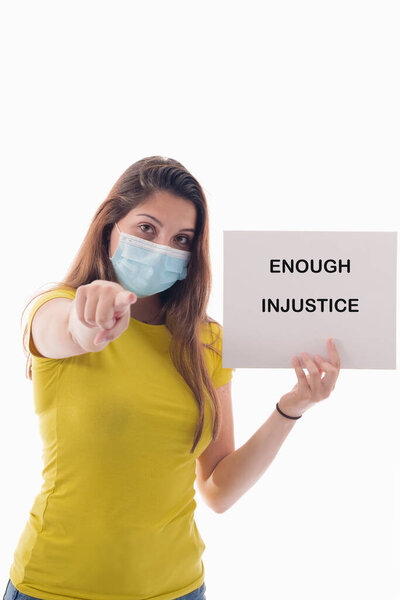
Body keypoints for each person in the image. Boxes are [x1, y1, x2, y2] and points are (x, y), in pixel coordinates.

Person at [3, 156, 340, 600]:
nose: (163, 248)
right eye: (147, 228)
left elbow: (218, 488)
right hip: (55, 586)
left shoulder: (208, 342)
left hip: (178, 588)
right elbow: (68, 330)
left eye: (181, 238)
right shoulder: (55, 307)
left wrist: (293, 407)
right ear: (110, 228)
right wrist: (90, 322)